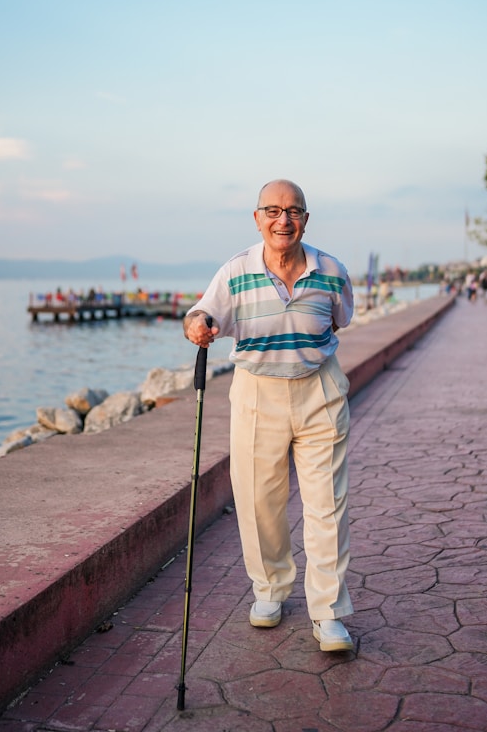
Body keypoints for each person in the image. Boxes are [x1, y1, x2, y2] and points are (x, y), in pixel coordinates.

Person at [183, 179, 355, 652]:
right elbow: (200, 314)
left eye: (294, 211)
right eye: (273, 210)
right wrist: (198, 325)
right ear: (257, 218)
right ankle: (271, 590)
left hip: (319, 389)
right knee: (260, 503)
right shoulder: (235, 272)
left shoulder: (332, 270)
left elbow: (340, 318)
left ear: (305, 218)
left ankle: (329, 613)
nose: (284, 220)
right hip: (258, 393)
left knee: (327, 506)